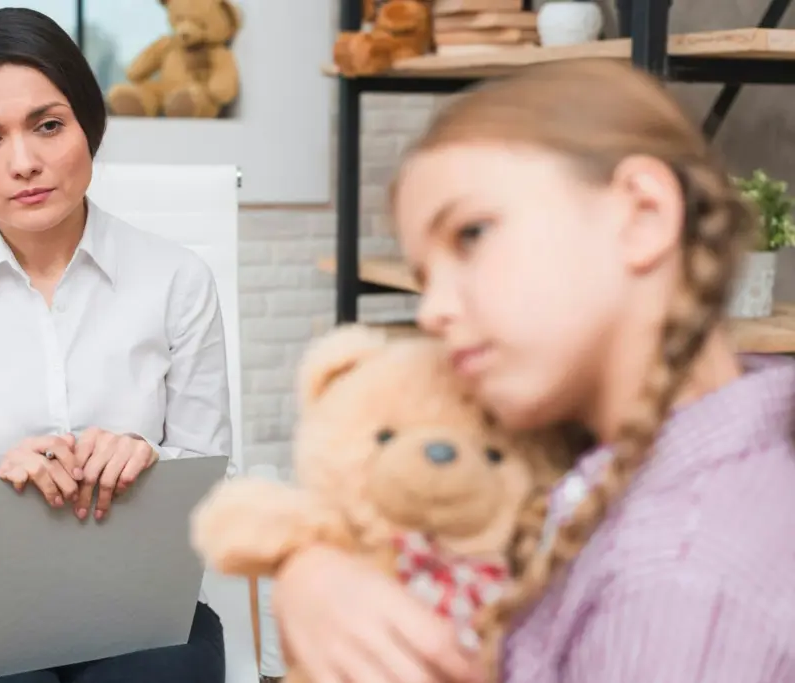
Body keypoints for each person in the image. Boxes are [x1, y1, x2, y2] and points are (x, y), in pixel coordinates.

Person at [271, 58, 795, 683]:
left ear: (643, 215)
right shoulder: (683, 445)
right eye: (424, 279)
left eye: (471, 234)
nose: (434, 311)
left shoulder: (676, 582)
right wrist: (313, 574)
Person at [0, 8, 231, 683]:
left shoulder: (177, 280)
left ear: (88, 124)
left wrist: (152, 456)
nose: (24, 163)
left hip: (139, 605)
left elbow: (215, 480)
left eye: (48, 125)